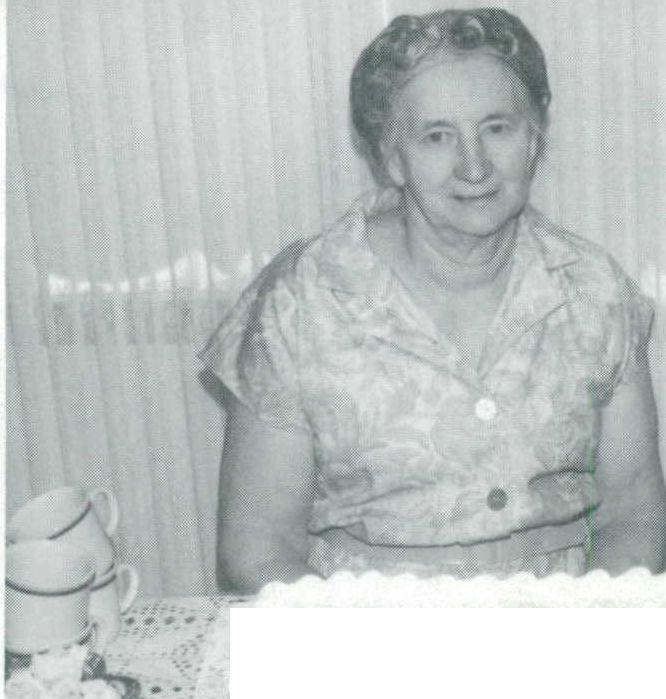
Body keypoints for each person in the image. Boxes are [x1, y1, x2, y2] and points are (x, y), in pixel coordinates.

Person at [200, 8, 666, 592]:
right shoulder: (297, 302)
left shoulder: (596, 291)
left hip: (560, 625)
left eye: (497, 128)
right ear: (391, 158)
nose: (474, 166)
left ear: (534, 138)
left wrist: (573, 630)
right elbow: (258, 545)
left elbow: (634, 519)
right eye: (437, 137)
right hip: (355, 629)